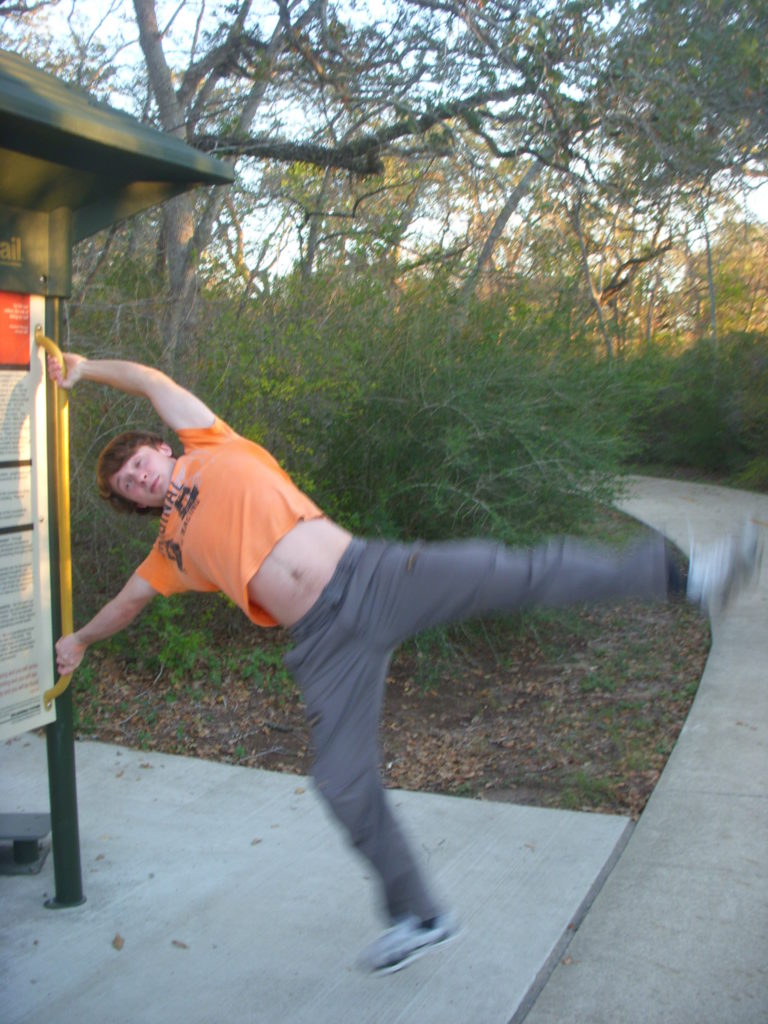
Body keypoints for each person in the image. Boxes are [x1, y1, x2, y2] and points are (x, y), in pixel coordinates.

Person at [48, 353, 761, 975]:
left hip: (373, 576)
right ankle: (421, 916)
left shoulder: (210, 440)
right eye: (126, 487)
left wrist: (84, 370)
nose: (137, 479)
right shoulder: (167, 553)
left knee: (513, 571)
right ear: (132, 505)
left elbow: (147, 378)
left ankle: (684, 580)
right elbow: (127, 605)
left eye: (138, 464)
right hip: (327, 644)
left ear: (160, 449)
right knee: (339, 780)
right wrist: (79, 640)